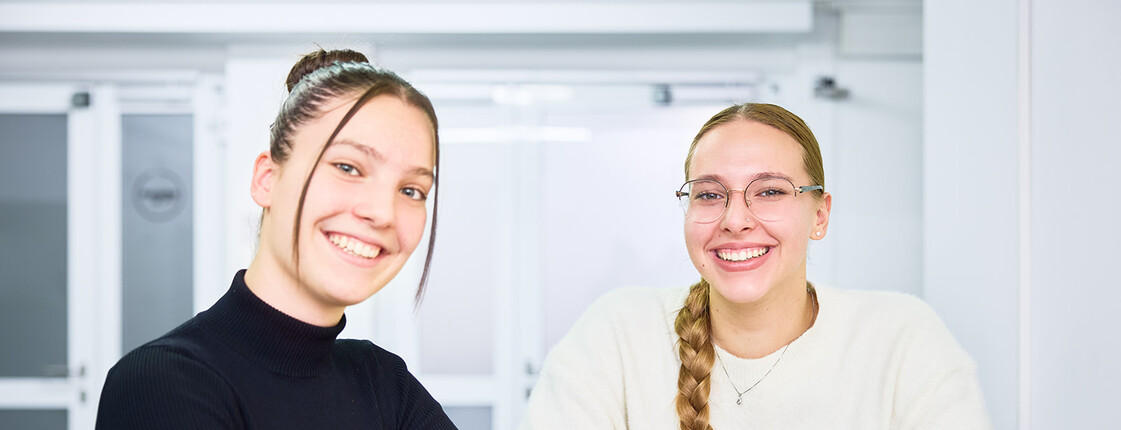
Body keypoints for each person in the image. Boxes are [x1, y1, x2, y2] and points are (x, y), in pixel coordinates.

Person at [520, 103, 990, 429]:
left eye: (769, 190)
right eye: (709, 193)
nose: (735, 220)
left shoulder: (902, 341)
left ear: (820, 214)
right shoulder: (616, 335)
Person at [96, 49, 457, 429]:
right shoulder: (164, 384)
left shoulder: (384, 383)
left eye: (412, 190)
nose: (383, 213)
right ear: (267, 179)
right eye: (348, 167)